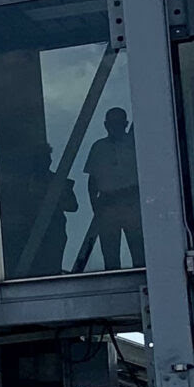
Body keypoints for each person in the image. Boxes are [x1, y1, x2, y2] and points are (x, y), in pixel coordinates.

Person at [81, 106, 143, 270]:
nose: (115, 126)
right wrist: (97, 207)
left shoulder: (136, 146)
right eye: (112, 123)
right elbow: (92, 181)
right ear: (106, 125)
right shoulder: (98, 148)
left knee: (140, 253)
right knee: (110, 254)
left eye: (118, 123)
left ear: (125, 123)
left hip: (132, 203)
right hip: (108, 204)